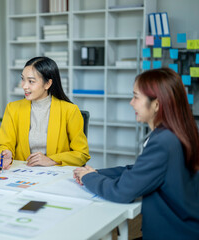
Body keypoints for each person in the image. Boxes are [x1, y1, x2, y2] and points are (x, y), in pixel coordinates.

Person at [74, 68, 199, 239]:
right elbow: (140, 170)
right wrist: (96, 173)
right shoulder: (176, 133)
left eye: (136, 97)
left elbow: (121, 192)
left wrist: (88, 178)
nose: (131, 103)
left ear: (156, 105)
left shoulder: (163, 142)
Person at [0, 56, 90, 169]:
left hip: (55, 175)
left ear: (47, 84)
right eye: (23, 79)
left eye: (31, 81)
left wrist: (51, 160)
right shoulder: (13, 108)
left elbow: (81, 154)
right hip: (22, 175)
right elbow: (4, 144)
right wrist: (6, 153)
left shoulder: (69, 110)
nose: (24, 86)